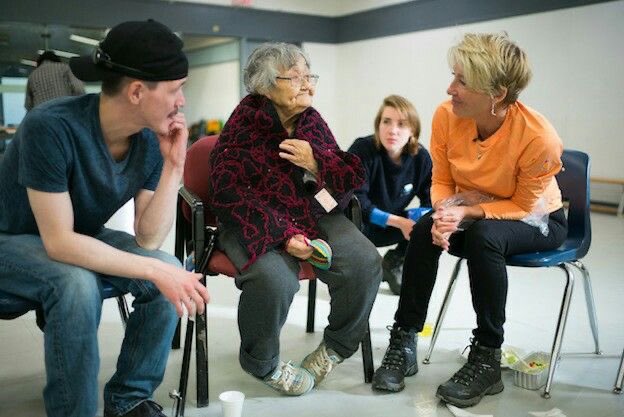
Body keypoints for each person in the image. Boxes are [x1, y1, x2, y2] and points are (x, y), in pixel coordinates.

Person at [0, 20, 210, 417]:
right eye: (175, 89)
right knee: (77, 282)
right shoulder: (51, 126)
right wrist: (153, 272)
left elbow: (148, 238)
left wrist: (173, 166)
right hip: (11, 238)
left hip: (77, 234)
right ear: (136, 92)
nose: (182, 101)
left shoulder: (148, 140)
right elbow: (59, 243)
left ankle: (129, 399)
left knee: (167, 269)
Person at [372, 32, 568, 408]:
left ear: (496, 93)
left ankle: (486, 356)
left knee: (485, 237)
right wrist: (446, 213)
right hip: (473, 208)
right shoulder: (447, 115)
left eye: (462, 81)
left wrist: (467, 213)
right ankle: (404, 339)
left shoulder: (539, 137)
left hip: (537, 218)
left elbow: (525, 205)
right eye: (453, 76)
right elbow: (442, 178)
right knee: (425, 228)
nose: (450, 88)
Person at [208, 42, 382, 396]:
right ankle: (263, 362)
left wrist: (315, 163)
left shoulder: (311, 121)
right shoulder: (243, 127)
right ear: (265, 86)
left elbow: (349, 177)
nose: (308, 85)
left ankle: (334, 347)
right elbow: (230, 193)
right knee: (274, 280)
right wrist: (284, 235)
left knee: (365, 261)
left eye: (309, 76)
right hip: (254, 222)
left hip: (312, 213)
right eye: (296, 78)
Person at [348, 95, 432, 295]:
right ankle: (360, 274)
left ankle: (395, 261)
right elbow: (359, 203)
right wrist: (401, 223)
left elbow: (433, 199)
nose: (392, 130)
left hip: (391, 224)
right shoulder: (362, 149)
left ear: (413, 131)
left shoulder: (420, 157)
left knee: (429, 222)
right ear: (378, 125)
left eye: (401, 124)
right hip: (358, 225)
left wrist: (417, 219)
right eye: (386, 121)